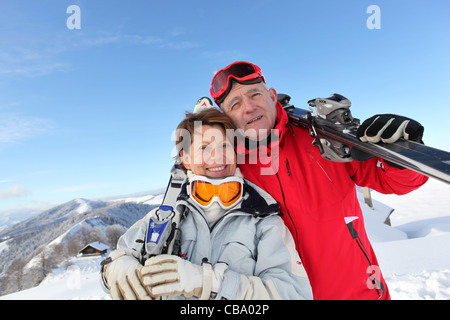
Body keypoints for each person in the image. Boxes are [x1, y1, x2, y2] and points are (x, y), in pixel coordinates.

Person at [209, 61, 429, 300]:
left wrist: (402, 156)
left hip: (360, 293)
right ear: (227, 117)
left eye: (255, 94)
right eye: (235, 104)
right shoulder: (229, 167)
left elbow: (393, 182)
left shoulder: (322, 138)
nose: (249, 107)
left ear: (271, 96)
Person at [100, 108, 312, 300]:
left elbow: (293, 294)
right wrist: (117, 269)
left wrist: (210, 283)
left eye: (224, 145)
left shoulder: (264, 221)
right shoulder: (162, 218)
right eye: (204, 147)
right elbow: (114, 262)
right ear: (186, 158)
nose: (217, 156)